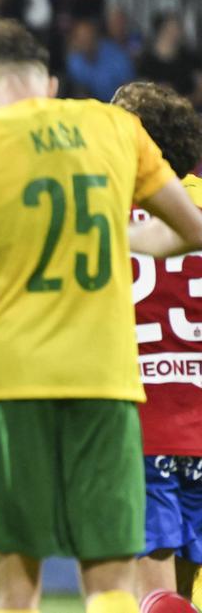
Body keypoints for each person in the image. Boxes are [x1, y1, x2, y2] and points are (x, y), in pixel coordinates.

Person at [0, 19, 202, 613]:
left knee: (15, 581)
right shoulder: (115, 129)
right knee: (111, 579)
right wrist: (124, 240)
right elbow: (190, 231)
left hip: (10, 383)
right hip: (109, 387)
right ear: (51, 84)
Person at [111, 81, 202, 613]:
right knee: (183, 595)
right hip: (197, 423)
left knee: (153, 597)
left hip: (140, 426)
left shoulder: (105, 215)